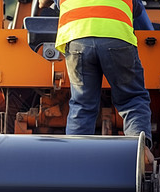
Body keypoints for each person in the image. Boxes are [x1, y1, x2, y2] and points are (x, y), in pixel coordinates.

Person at [39, 0, 154, 164]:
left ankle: (74, 159)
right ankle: (139, 153)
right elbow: (136, 8)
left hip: (77, 39)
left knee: (82, 104)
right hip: (117, 37)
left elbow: (44, 3)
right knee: (132, 99)